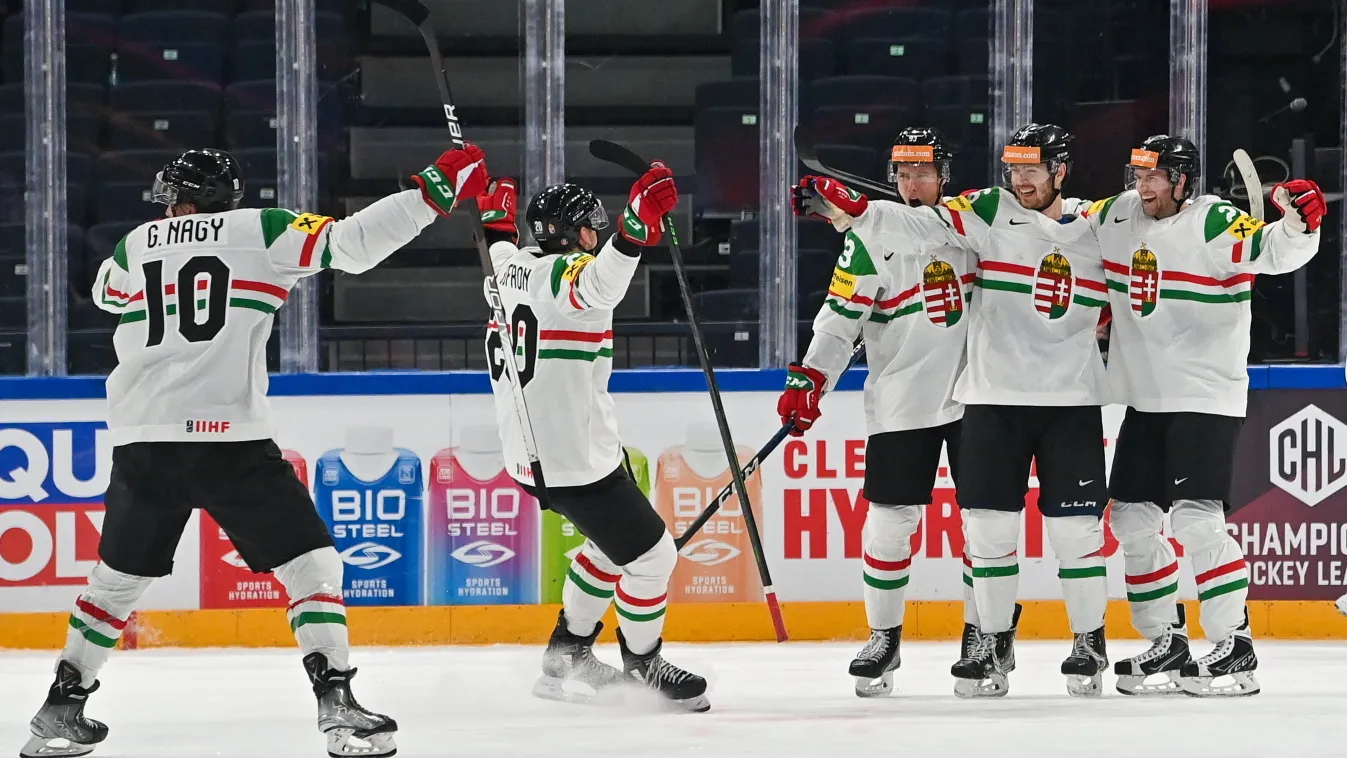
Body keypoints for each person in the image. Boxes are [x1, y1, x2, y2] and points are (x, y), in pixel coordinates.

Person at [21, 144, 488, 758]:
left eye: (174, 199)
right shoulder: (263, 229)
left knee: (114, 584)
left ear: (188, 199)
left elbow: (108, 294)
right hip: (227, 442)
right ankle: (338, 708)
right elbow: (353, 244)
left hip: (145, 440)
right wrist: (432, 194)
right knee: (313, 568)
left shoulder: (137, 243)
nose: (166, 210)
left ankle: (60, 707)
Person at [1087, 135, 1326, 697]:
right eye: (1138, 175)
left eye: (1155, 177)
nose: (1143, 186)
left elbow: (1277, 250)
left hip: (1204, 396)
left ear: (1183, 180)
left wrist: (1299, 224)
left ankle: (1234, 646)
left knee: (1196, 520)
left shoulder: (1216, 220)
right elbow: (1062, 224)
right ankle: (1166, 639)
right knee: (1131, 521)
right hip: (1144, 398)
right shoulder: (1117, 214)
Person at [477, 164, 709, 712]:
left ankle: (566, 656)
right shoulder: (567, 276)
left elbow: (499, 246)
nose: (593, 235)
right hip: (573, 459)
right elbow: (601, 282)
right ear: (568, 235)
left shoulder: (507, 266)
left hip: (533, 456)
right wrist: (635, 224)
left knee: (610, 548)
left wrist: (495, 221)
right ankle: (643, 662)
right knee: (653, 556)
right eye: (588, 227)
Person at [780, 127, 979, 698]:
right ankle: (883, 637)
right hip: (901, 400)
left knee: (984, 529)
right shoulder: (868, 237)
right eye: (903, 174)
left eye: (923, 172)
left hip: (976, 398)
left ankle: (982, 635)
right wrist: (813, 374)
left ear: (945, 175)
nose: (913, 183)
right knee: (890, 524)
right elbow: (840, 319)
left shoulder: (972, 223)